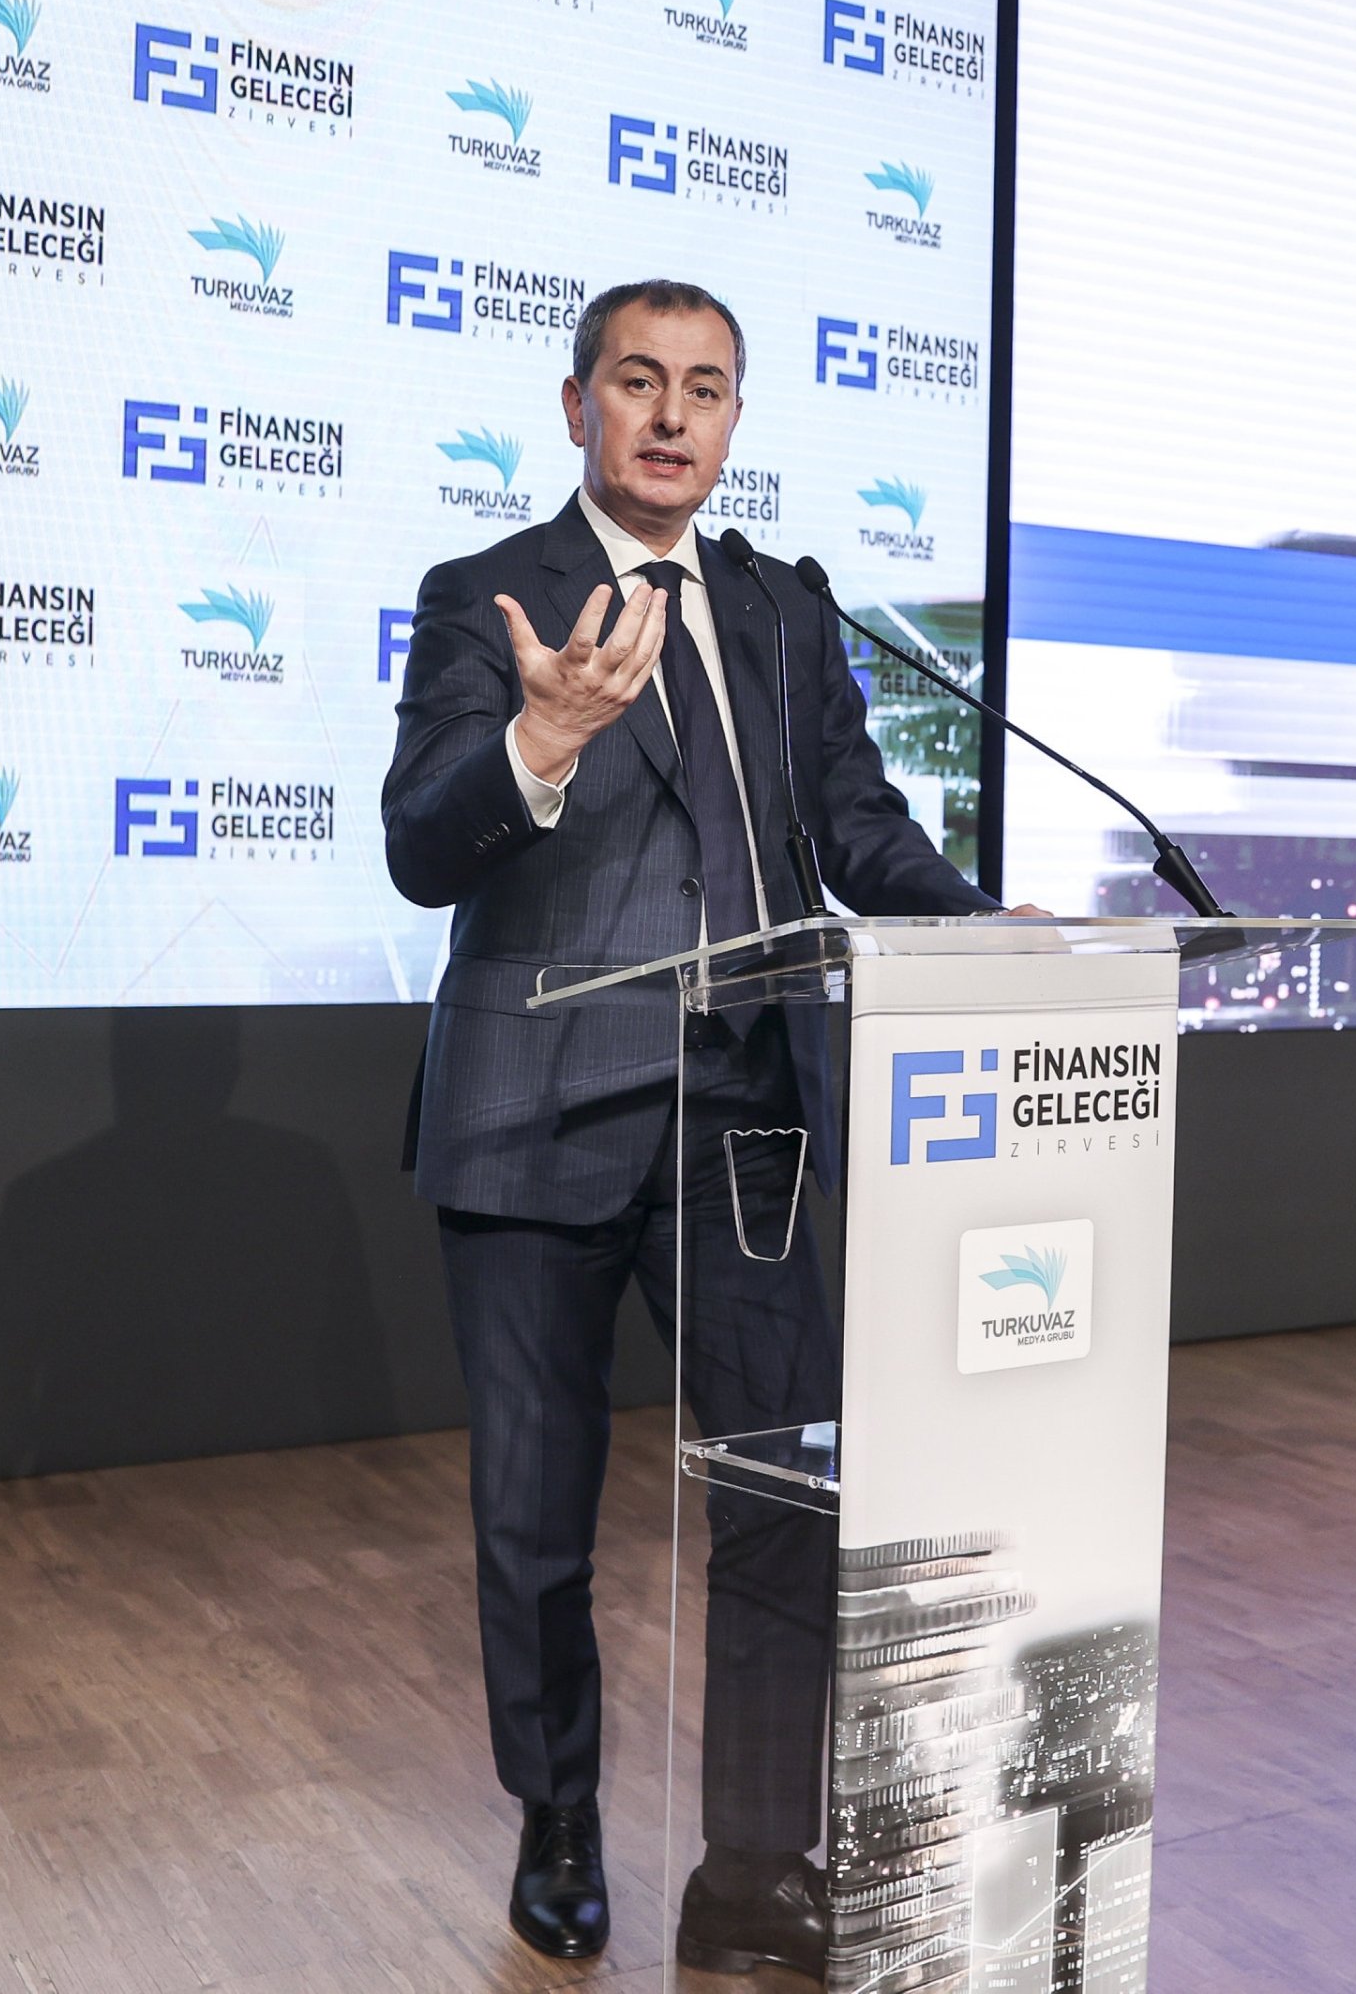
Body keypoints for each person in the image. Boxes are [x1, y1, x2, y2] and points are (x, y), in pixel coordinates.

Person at [382, 279, 1003, 1973]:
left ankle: (751, 1860)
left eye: (707, 389)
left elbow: (858, 832)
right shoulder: (485, 594)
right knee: (533, 1508)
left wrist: (990, 933)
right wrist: (542, 737)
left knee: (786, 1492)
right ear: (577, 401)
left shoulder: (788, 611)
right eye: (639, 383)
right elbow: (420, 849)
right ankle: (560, 1816)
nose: (671, 416)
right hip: (534, 1117)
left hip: (746, 1116)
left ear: (737, 421)